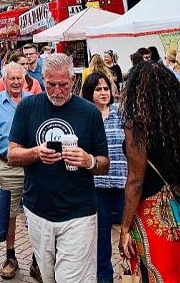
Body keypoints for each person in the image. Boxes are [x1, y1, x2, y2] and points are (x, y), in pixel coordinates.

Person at [8, 53, 110, 283]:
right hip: (38, 210)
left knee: (72, 279)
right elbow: (12, 154)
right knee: (49, 276)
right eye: (51, 84)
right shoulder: (28, 106)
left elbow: (105, 163)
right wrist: (36, 152)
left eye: (63, 85)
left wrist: (88, 161)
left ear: (73, 80)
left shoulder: (89, 112)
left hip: (79, 213)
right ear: (42, 79)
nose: (56, 91)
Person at [118, 62, 180, 282]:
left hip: (154, 212)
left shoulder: (137, 127)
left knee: (162, 272)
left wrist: (124, 227)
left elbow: (135, 182)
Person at [0, 61, 39, 280]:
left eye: (19, 78)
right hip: (7, 166)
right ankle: (11, 256)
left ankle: (37, 260)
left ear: (24, 80)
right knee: (10, 215)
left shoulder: (33, 102)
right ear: (4, 80)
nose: (15, 82)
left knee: (36, 213)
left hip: (33, 165)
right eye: (11, 78)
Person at [81, 73, 126, 283]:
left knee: (131, 232)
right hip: (97, 184)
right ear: (90, 93)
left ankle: (132, 273)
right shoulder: (86, 116)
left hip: (123, 182)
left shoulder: (121, 113)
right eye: (98, 89)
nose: (103, 93)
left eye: (106, 88)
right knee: (101, 235)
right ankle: (104, 277)